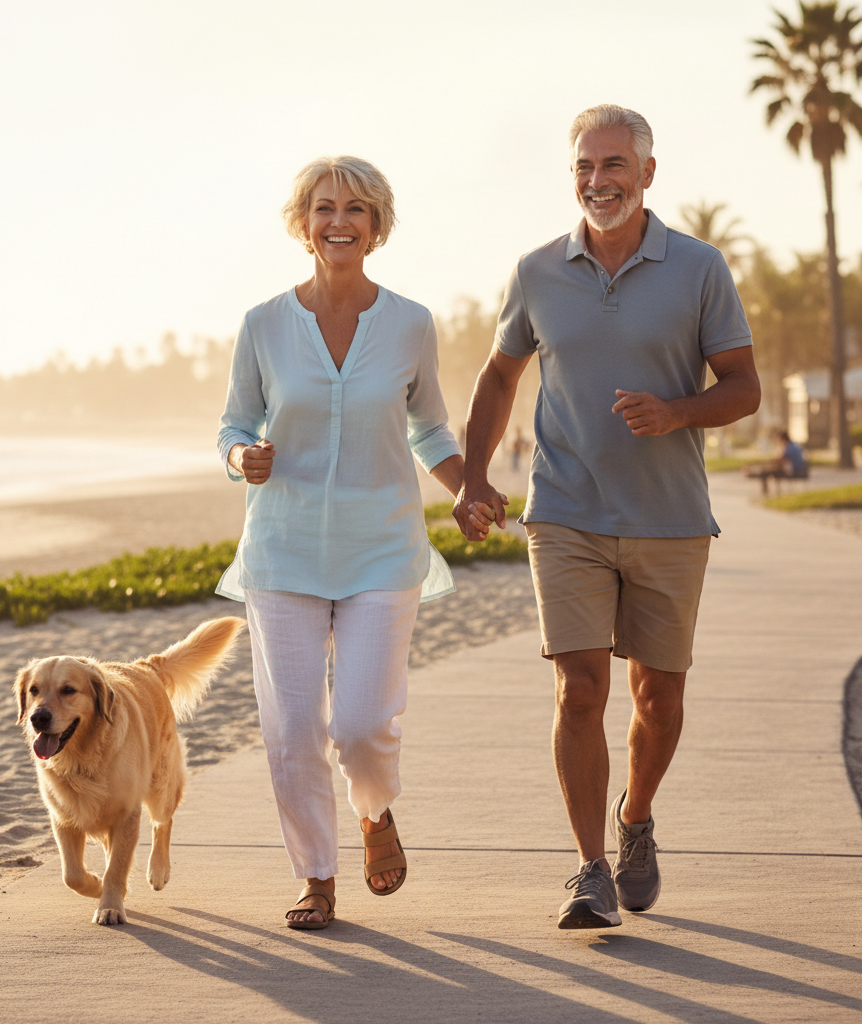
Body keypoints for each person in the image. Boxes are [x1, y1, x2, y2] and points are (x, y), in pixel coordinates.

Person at [455, 105, 761, 929]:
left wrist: (675, 412)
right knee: (580, 689)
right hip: (565, 512)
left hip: (670, 518)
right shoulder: (537, 271)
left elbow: (743, 386)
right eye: (585, 166)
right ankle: (589, 868)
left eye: (615, 164)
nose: (599, 180)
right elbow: (497, 376)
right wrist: (475, 476)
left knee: (657, 697)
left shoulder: (699, 269)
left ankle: (636, 821)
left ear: (648, 174)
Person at [216, 156, 471, 930]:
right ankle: (316, 877)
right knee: (293, 733)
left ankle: (374, 809)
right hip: (284, 552)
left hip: (382, 549)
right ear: (303, 224)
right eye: (324, 208)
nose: (340, 221)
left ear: (377, 225)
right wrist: (241, 458)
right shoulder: (263, 323)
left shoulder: (411, 323)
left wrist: (471, 490)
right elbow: (234, 425)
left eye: (357, 209)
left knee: (360, 724)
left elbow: (429, 426)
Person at [744, 430, 809, 494]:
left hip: (795, 471)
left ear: (783, 439)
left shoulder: (789, 448)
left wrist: (768, 464)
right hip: (800, 470)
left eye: (779, 440)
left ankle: (766, 494)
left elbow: (780, 461)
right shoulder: (794, 445)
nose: (778, 442)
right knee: (770, 471)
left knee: (766, 473)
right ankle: (772, 492)